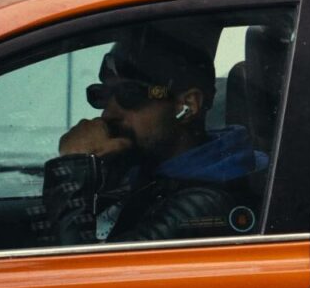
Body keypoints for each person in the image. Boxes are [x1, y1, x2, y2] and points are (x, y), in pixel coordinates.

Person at [41, 34, 267, 244]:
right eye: (102, 95)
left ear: (186, 106)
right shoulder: (149, 168)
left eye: (130, 95)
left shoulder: (200, 206)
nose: (107, 114)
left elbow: (83, 278)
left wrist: (74, 163)